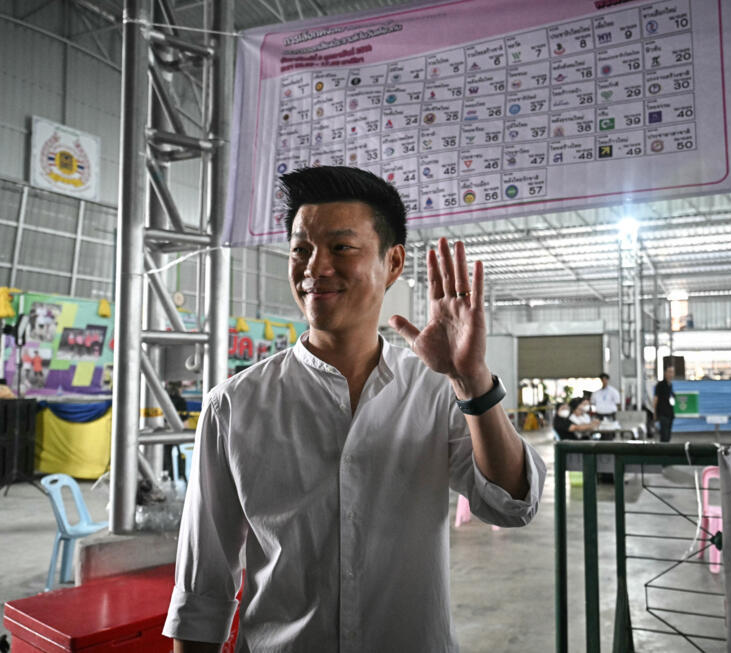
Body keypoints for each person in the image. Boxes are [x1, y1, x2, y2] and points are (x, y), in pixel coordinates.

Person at [163, 166, 546, 652]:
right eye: (301, 249)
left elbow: (512, 503)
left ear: (393, 262)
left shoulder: (435, 390)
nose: (315, 268)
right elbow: (203, 589)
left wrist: (471, 379)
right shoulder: (234, 407)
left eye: (341, 248)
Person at [652, 366, 676, 443]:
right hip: (663, 414)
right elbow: (656, 399)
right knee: (664, 436)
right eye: (669, 372)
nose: (671, 374)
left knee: (668, 435)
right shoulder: (660, 385)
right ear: (665, 373)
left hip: (670, 414)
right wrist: (654, 413)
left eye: (672, 372)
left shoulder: (671, 385)